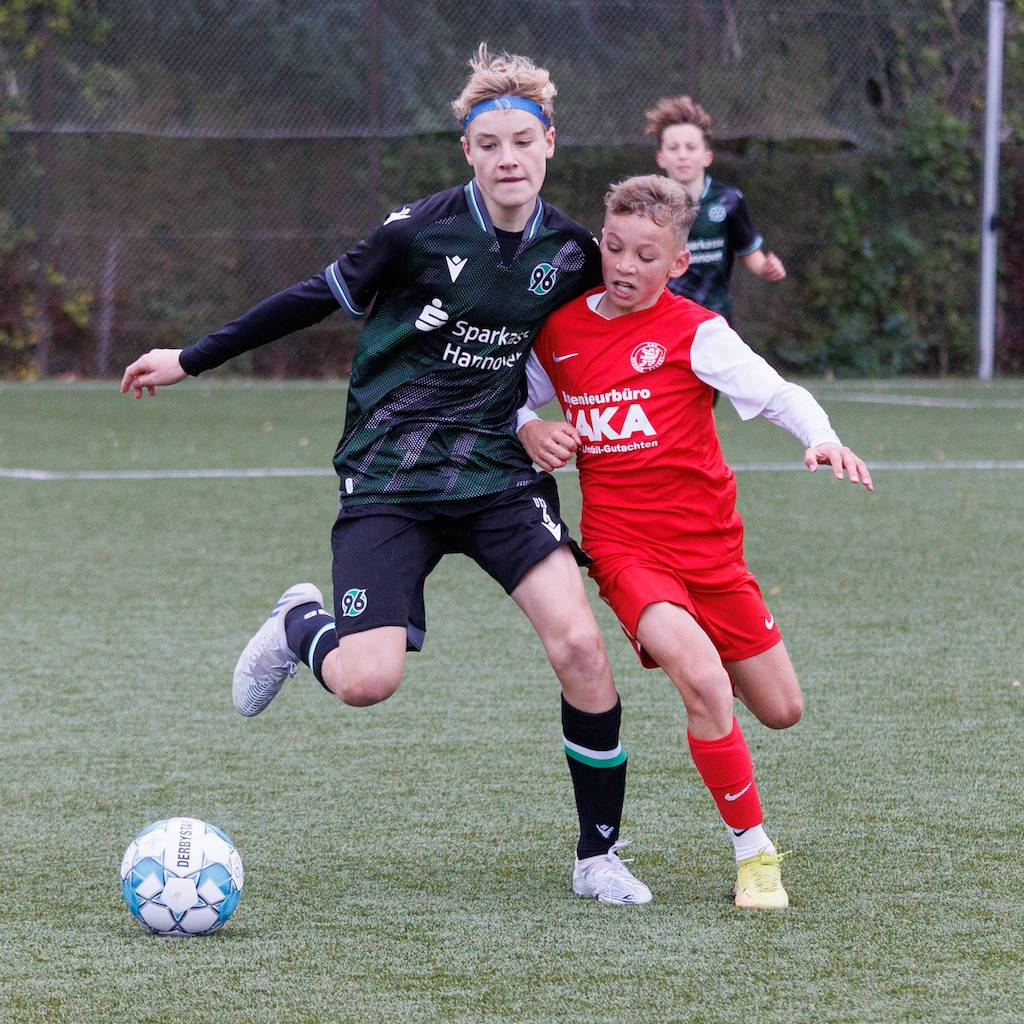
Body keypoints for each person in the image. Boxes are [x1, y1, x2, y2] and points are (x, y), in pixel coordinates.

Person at [120, 46, 652, 906]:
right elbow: (310, 297)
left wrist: (555, 417)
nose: (508, 158)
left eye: (524, 141)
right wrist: (192, 356)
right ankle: (300, 625)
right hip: (389, 473)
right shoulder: (416, 233)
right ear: (467, 152)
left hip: (495, 473)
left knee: (582, 648)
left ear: (550, 144)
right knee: (367, 682)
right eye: (489, 145)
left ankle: (599, 856)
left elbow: (622, 327)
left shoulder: (572, 251)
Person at [517, 174, 872, 909]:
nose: (624, 265)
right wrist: (530, 427)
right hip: (625, 550)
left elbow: (778, 394)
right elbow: (510, 394)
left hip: (712, 554)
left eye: (646, 255)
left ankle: (718, 707)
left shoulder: (696, 331)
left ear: (679, 262)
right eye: (613, 247)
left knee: (781, 708)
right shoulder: (561, 330)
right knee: (706, 685)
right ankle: (755, 855)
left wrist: (821, 436)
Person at [645, 95, 785, 325]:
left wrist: (766, 268)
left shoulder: (728, 200)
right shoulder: (648, 204)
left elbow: (749, 252)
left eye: (691, 147)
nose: (682, 155)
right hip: (664, 321)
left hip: (714, 319)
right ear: (661, 158)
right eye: (673, 148)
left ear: (707, 157)